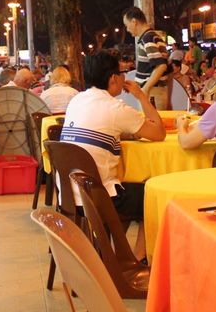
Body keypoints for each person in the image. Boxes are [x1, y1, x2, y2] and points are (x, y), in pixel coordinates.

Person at [59, 49, 165, 223]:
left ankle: (121, 243)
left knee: (134, 192)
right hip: (101, 197)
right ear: (113, 78)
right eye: (122, 72)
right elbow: (159, 133)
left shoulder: (77, 100)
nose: (125, 77)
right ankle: (139, 251)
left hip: (69, 194)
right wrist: (141, 95)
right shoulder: (116, 108)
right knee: (154, 193)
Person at [123, 6, 170, 109]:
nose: (127, 29)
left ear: (134, 21)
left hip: (152, 93)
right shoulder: (155, 37)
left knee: (151, 123)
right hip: (156, 91)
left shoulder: (147, 38)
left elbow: (161, 66)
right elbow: (153, 68)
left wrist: (145, 89)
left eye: (127, 25)